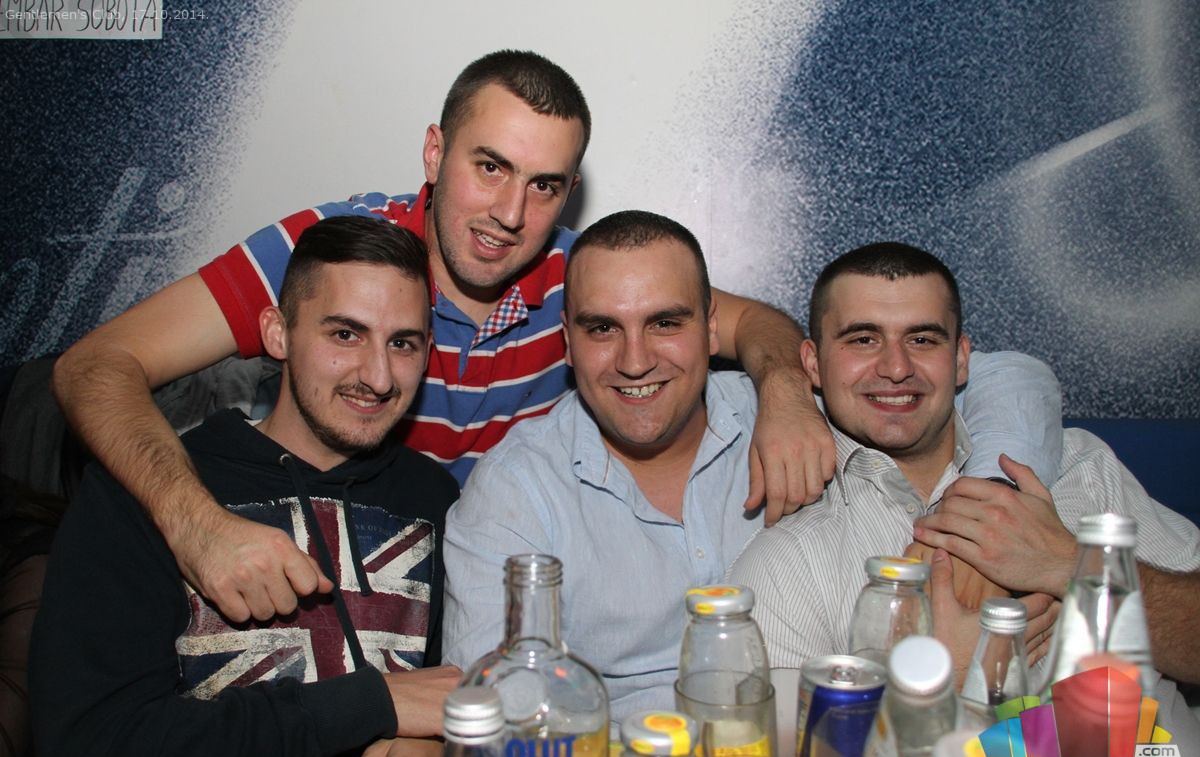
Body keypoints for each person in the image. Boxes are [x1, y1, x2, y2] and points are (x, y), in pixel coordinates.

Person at [50, 50, 1060, 628]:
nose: (508, 214)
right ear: (435, 153)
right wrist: (193, 523)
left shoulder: (585, 287)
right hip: (312, 561)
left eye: (543, 185)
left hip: (464, 581)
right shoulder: (335, 252)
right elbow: (94, 363)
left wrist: (788, 392)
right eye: (488, 167)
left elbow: (751, 323)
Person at [441, 214, 1059, 723]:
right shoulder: (515, 493)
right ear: (568, 343)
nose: (635, 360)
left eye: (665, 323)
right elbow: (493, 712)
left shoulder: (791, 417)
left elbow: (1009, 376)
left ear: (712, 328)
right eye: (603, 328)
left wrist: (985, 509)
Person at [30, 217, 462, 757]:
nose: (379, 377)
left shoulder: (436, 500)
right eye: (345, 334)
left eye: (402, 343)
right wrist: (370, 705)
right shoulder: (149, 491)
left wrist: (442, 743)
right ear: (278, 334)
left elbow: (453, 695)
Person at [728, 241, 1200, 756]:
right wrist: (937, 686)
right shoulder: (790, 557)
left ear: (960, 360)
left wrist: (1072, 564)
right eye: (863, 339)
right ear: (813, 364)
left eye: (922, 339)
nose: (896, 367)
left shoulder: (1078, 468)